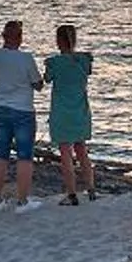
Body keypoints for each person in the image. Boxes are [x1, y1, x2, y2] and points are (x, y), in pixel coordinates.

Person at [0, 19, 41, 208]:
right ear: (20, 38)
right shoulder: (26, 59)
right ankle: (22, 201)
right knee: (24, 156)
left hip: (1, 108)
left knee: (0, 155)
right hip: (23, 110)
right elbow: (38, 84)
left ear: (3, 36)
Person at [43, 22, 96, 204]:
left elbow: (47, 79)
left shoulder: (55, 63)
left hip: (61, 112)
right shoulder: (84, 60)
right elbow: (87, 72)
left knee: (65, 152)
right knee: (82, 150)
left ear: (59, 41)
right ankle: (90, 189)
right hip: (80, 111)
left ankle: (72, 193)